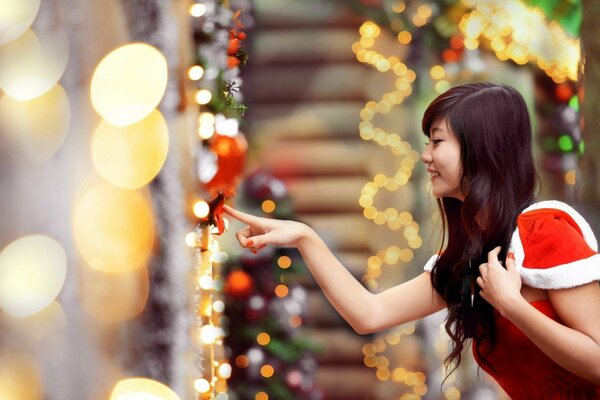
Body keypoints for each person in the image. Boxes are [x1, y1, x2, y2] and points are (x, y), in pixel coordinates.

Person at [223, 82, 600, 399]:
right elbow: (369, 315)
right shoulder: (468, 261)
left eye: (437, 142)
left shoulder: (543, 230)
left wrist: (512, 306)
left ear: (482, 149)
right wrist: (305, 238)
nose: (425, 156)